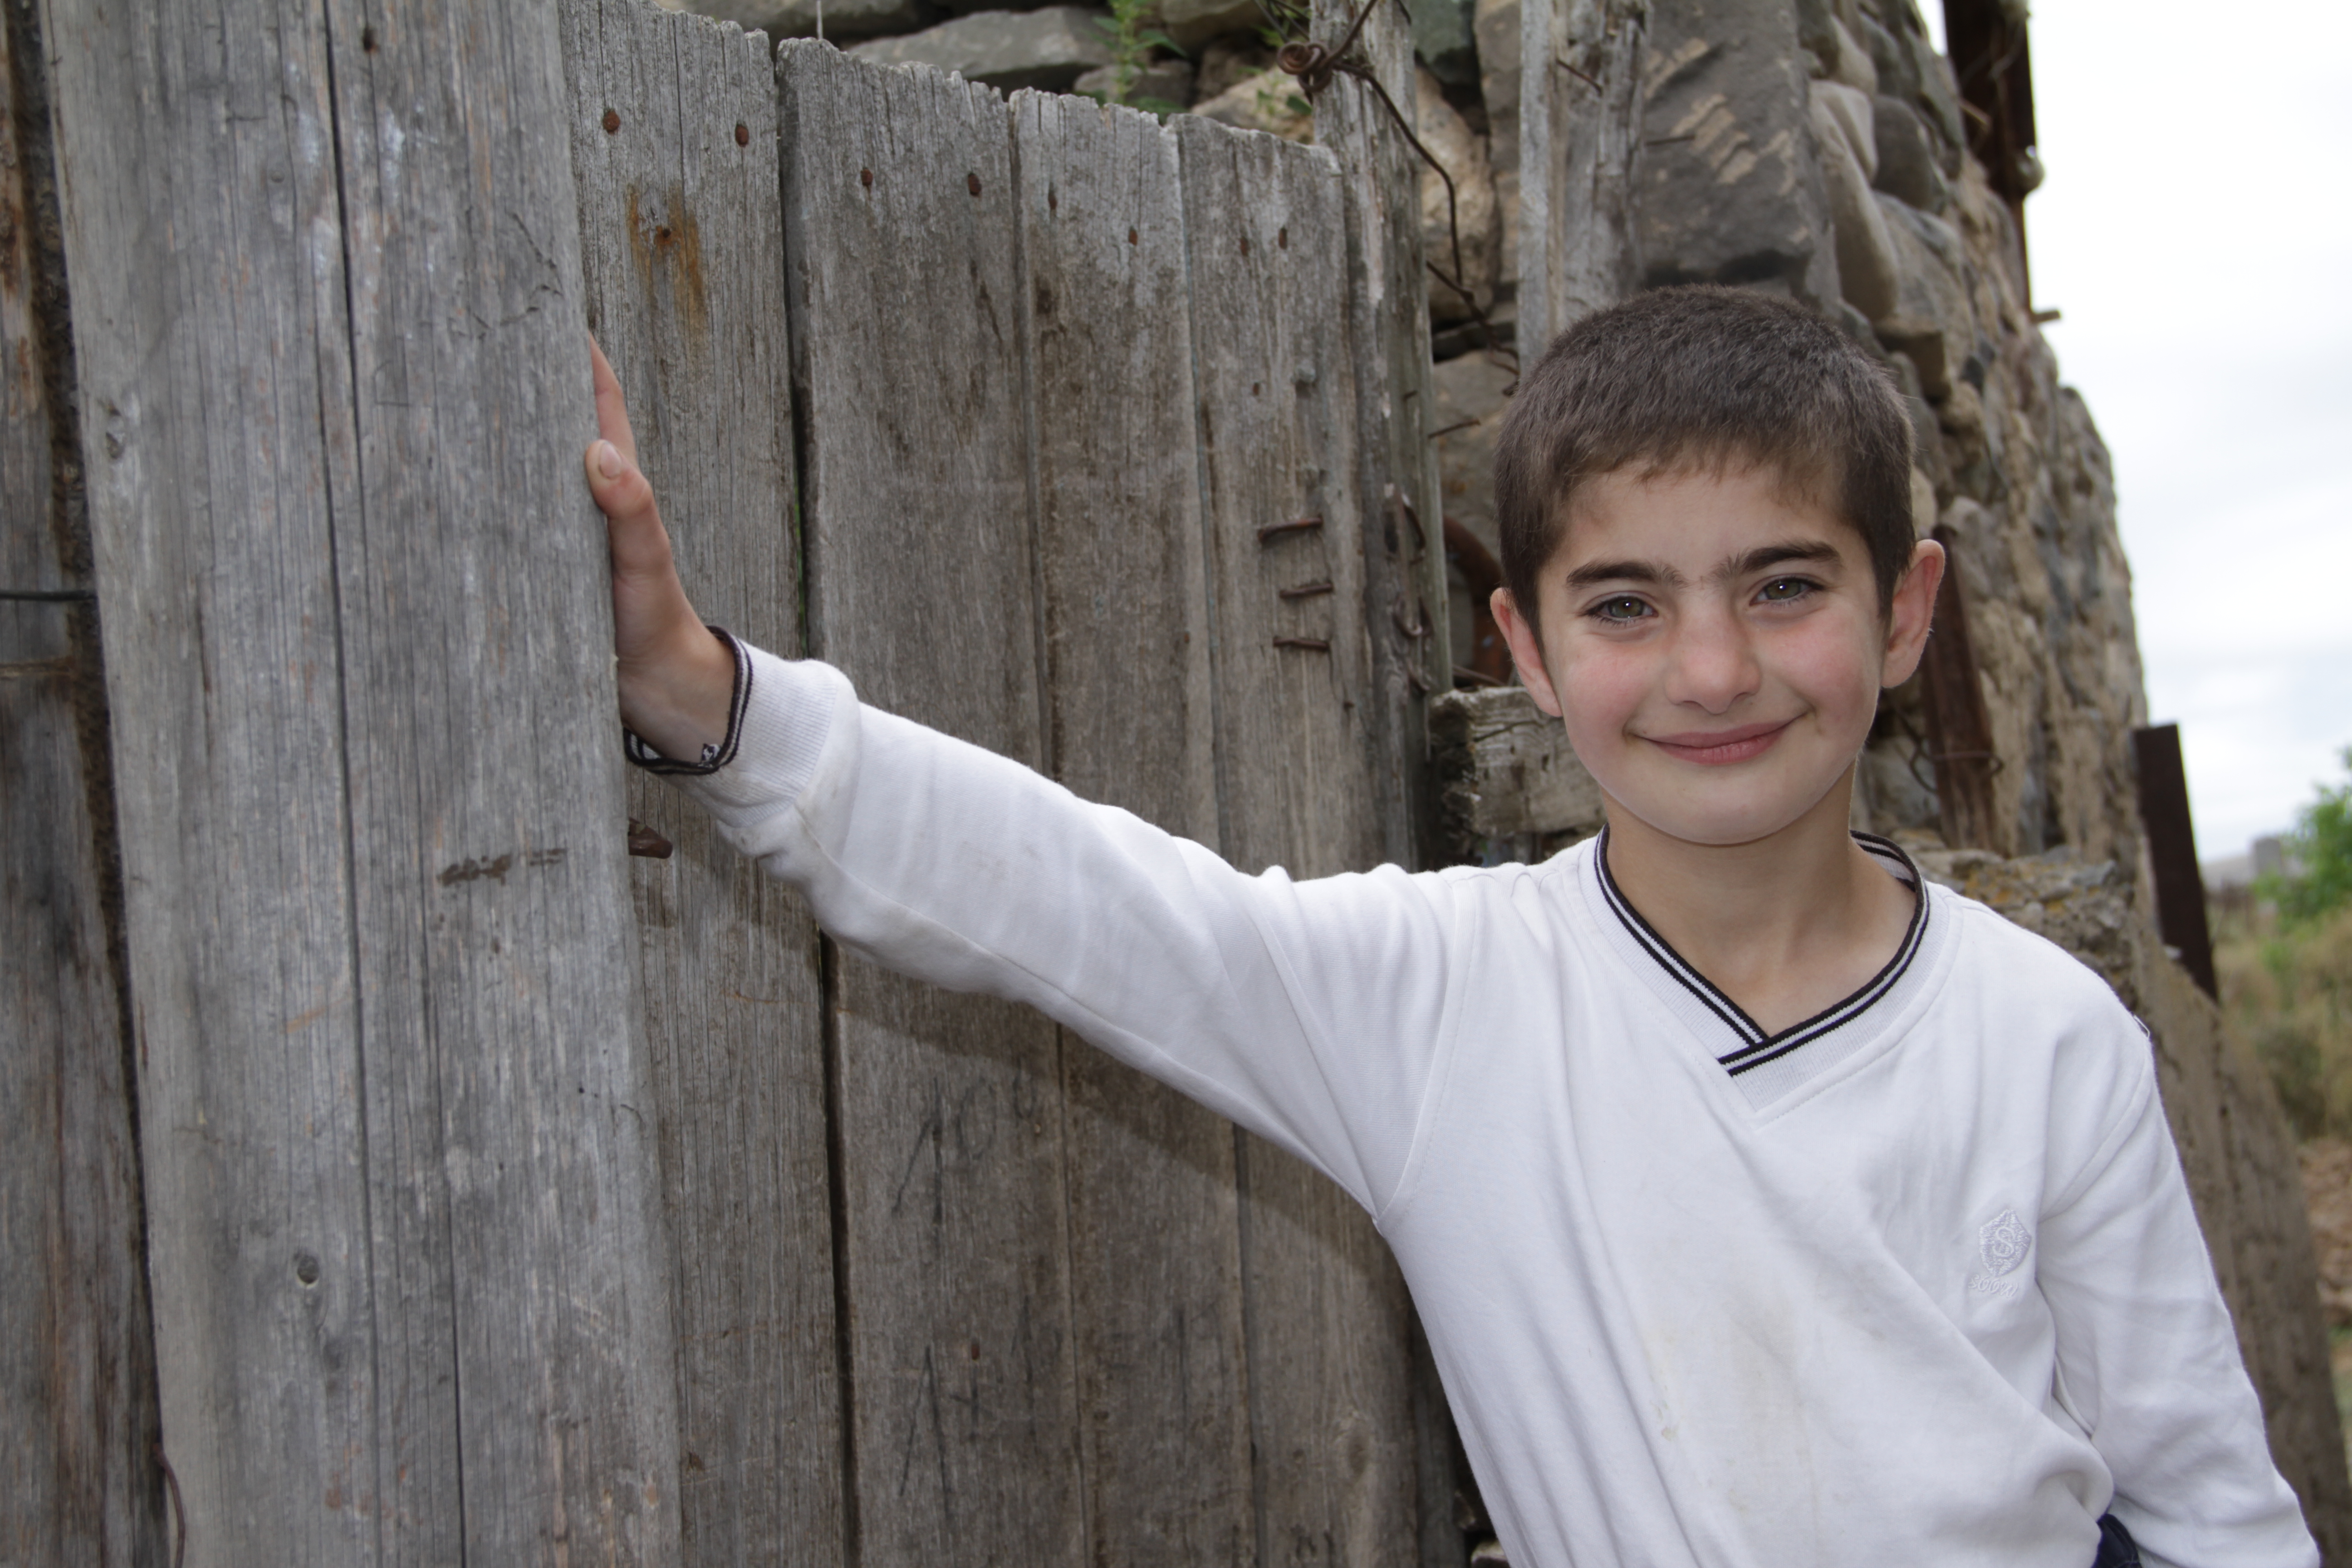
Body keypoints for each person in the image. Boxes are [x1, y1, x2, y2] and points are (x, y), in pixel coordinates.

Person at [581, 287, 2316, 1568]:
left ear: (1908, 606)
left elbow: (2211, 1510)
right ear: (1530, 651)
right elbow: (1075, 896)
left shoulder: (2052, 1037)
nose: (1715, 670)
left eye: (1785, 585)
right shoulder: (1443, 1004)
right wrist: (702, 692)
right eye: (1626, 605)